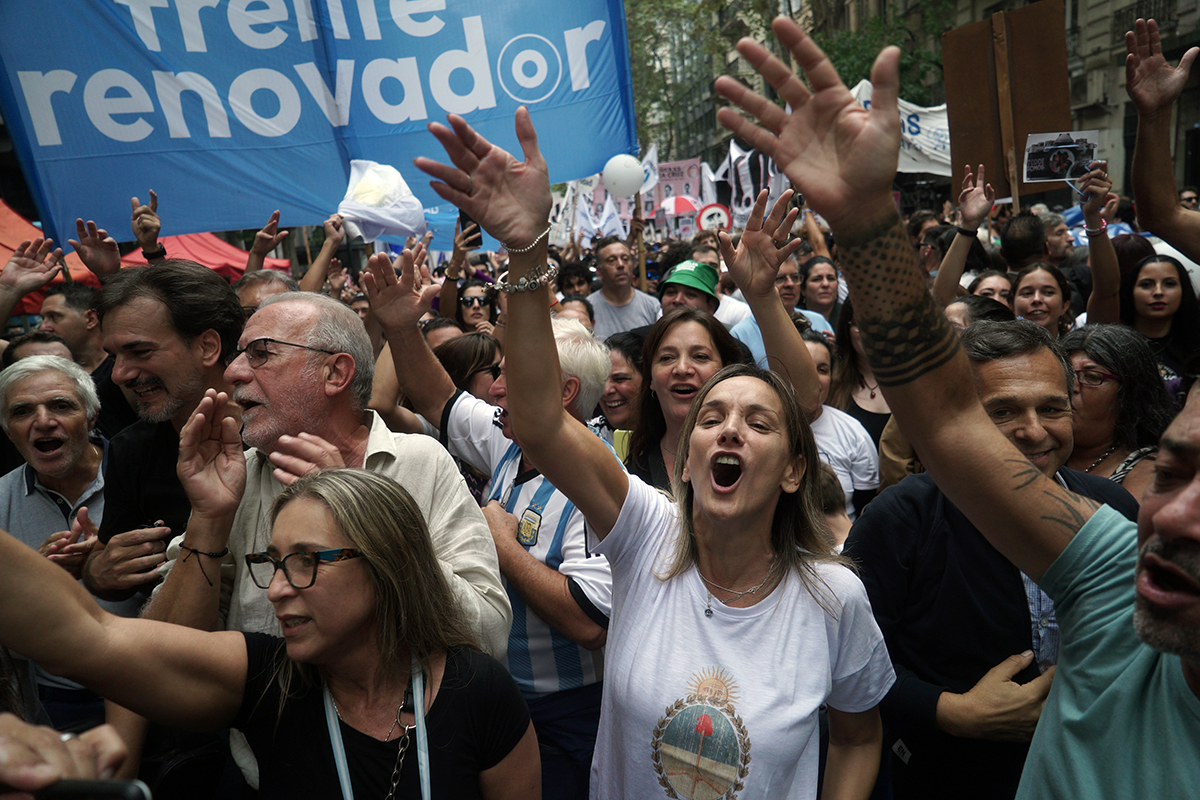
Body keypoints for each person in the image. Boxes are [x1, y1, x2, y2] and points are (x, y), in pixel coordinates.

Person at [715, 15, 1199, 797]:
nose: (1172, 515)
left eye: (1053, 407)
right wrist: (866, 224)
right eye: (1171, 475)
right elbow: (943, 417)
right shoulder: (1118, 565)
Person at [410, 108, 889, 798]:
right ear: (686, 459)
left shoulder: (835, 596)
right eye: (712, 419)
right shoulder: (647, 533)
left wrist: (762, 298)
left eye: (758, 422)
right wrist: (526, 252)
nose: (730, 430)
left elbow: (858, 737)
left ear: (793, 470)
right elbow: (539, 421)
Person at [0, 468, 539, 798]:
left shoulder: (478, 690)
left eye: (306, 561)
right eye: (273, 562)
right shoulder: (265, 679)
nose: (277, 589)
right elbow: (88, 635)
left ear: (386, 565)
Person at [844, 321, 1140, 800]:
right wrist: (948, 711)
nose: (1033, 430)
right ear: (959, 419)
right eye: (1002, 411)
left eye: (1052, 408)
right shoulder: (902, 517)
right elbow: (847, 659)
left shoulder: (1112, 509)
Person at [365, 256, 612, 800]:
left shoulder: (603, 483)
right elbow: (439, 397)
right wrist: (402, 327)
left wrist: (501, 544)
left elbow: (590, 622)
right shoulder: (511, 439)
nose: (495, 388)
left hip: (571, 713)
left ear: (564, 392)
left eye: (509, 374)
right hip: (501, 693)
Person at [83, 262, 242, 601]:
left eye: (140, 352)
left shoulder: (281, 432)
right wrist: (98, 572)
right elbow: (105, 559)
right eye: (113, 356)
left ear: (207, 347)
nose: (119, 375)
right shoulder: (132, 449)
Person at [0, 355, 142, 730]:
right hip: (54, 707)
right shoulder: (1, 500)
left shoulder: (143, 475)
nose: (43, 421)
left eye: (61, 406)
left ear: (92, 418)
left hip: (153, 686)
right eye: (22, 411)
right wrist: (32, 581)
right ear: (8, 430)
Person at [625, 309, 744, 491]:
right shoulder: (631, 480)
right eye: (667, 358)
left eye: (700, 357)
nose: (682, 369)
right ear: (650, 379)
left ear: (726, 371)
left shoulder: (751, 461)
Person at [1060, 324, 1177, 498]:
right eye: (1065, 375)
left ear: (1128, 394)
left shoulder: (1149, 471)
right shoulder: (1038, 452)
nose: (1072, 387)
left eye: (1091, 377)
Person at [802, 330, 878, 520]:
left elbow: (867, 506)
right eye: (804, 366)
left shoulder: (853, 432)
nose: (814, 377)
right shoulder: (763, 425)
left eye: (822, 370)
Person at [1117, 254, 1199, 393]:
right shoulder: (1115, 344)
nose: (1158, 292)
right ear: (1131, 291)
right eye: (1146, 285)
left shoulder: (1195, 345)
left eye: (1170, 284)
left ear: (1183, 290)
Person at [829, 299, 890, 449]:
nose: (870, 331)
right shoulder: (830, 381)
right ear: (846, 328)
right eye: (860, 323)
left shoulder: (911, 383)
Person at [587, 236, 661, 340]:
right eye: (611, 260)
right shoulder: (588, 308)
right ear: (599, 271)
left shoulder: (652, 306)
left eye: (625, 259)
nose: (620, 265)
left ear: (632, 265)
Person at [590, 331, 644, 447]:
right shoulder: (586, 437)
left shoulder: (674, 435)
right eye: (601, 380)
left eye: (620, 379)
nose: (606, 390)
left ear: (648, 380)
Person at [1011, 262, 1074, 336]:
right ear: (1012, 306)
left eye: (1048, 292)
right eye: (1027, 293)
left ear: (1064, 306)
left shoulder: (1078, 343)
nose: (1036, 299)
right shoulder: (1000, 343)